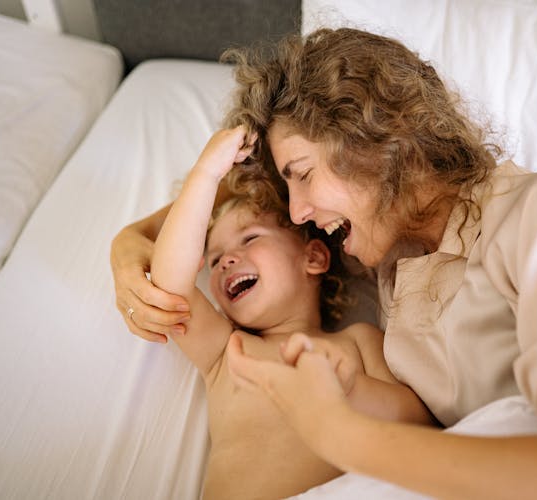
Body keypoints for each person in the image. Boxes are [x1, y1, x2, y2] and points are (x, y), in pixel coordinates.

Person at [110, 28, 537, 499]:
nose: (303, 212)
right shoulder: (391, 261)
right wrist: (129, 242)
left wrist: (339, 432)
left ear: (374, 137)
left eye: (304, 175)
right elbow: (240, 205)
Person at [136, 125, 434, 500]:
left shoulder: (358, 341)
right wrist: (206, 175)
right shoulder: (226, 351)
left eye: (250, 238)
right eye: (213, 261)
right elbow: (170, 284)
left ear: (313, 257)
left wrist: (350, 387)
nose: (226, 260)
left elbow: (417, 421)